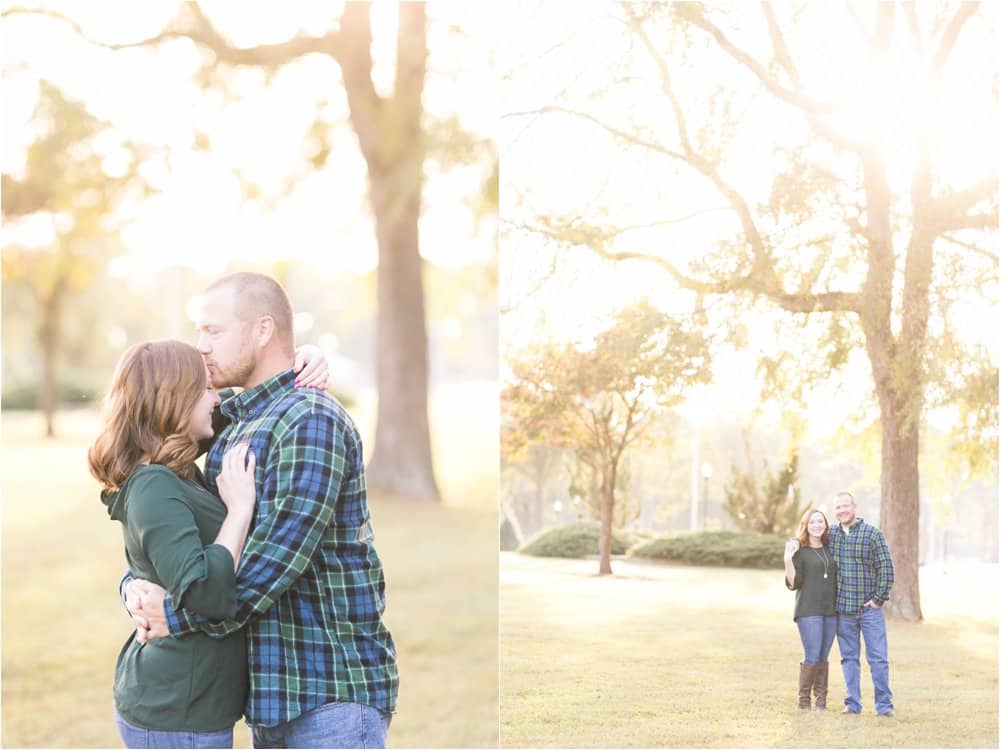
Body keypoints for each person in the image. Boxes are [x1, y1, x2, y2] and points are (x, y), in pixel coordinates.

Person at [125, 272, 399, 749]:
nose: (201, 347)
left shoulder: (309, 420)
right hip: (270, 696)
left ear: (263, 330)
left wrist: (174, 614)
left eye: (213, 331)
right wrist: (134, 586)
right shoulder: (229, 423)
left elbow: (273, 565)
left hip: (327, 694)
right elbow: (173, 532)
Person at [89, 340, 258, 748]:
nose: (216, 399)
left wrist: (304, 358)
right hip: (175, 711)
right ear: (174, 400)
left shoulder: (173, 468)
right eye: (204, 389)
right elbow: (207, 594)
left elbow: (249, 395)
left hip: (191, 706)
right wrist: (239, 510)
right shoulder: (154, 485)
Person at [829, 491, 895, 717]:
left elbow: (886, 569)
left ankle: (884, 706)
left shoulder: (872, 534)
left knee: (878, 659)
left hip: (869, 611)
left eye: (845, 506)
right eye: (838, 507)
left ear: (854, 506)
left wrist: (878, 600)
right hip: (843, 611)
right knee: (849, 658)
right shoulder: (832, 535)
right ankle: (853, 704)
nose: (842, 510)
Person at [783, 508, 838, 711]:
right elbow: (794, 582)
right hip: (808, 610)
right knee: (812, 655)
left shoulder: (831, 547)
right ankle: (803, 701)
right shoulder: (800, 551)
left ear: (825, 525)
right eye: (812, 522)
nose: (817, 525)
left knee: (823, 657)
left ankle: (821, 701)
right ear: (806, 525)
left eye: (820, 521)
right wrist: (788, 559)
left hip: (831, 611)